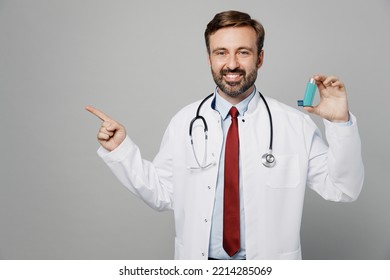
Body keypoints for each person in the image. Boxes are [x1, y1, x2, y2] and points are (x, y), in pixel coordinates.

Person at [86, 10, 364, 260]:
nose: (231, 64)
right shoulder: (184, 122)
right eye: (221, 52)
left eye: (243, 52)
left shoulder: (294, 125)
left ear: (260, 58)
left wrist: (340, 124)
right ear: (209, 59)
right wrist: (121, 151)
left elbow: (343, 189)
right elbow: (162, 194)